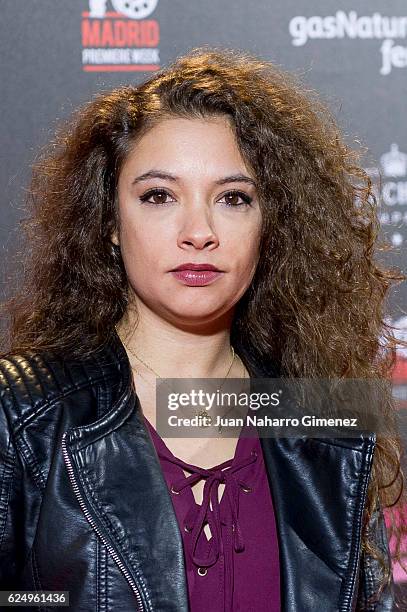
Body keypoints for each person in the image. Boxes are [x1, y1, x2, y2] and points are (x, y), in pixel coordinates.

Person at [0, 46, 406, 611]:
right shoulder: (22, 415)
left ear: (270, 225)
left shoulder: (326, 421)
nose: (199, 230)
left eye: (234, 198)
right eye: (159, 196)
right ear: (110, 222)